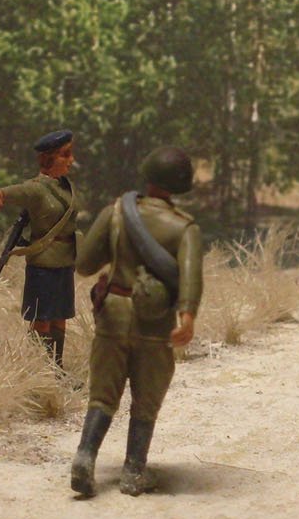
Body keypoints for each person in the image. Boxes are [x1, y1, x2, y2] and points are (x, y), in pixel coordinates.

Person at [70, 146, 202, 497]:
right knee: (146, 398)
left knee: (103, 394)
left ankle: (85, 457)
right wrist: (187, 318)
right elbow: (191, 277)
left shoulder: (115, 214)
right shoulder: (184, 227)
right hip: (155, 323)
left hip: (113, 314)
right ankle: (133, 471)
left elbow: (84, 265)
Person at [0, 129, 80, 367]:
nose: (71, 159)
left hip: (64, 262)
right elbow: (19, 191)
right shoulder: (37, 188)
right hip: (44, 264)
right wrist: (0, 194)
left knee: (60, 317)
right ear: (48, 159)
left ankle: (57, 367)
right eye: (65, 154)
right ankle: (40, 369)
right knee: (42, 319)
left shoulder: (65, 186)